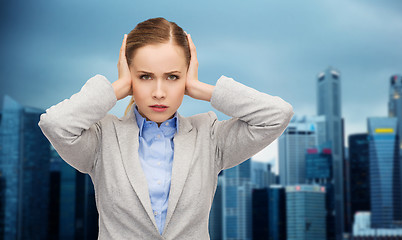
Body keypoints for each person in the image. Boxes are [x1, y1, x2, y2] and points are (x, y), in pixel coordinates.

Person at [38, 17, 294, 240]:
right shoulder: (102, 139)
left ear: (186, 75)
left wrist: (201, 89)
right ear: (129, 76)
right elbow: (55, 124)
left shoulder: (210, 137)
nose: (159, 93)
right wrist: (116, 88)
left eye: (172, 77)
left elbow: (277, 115)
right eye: (144, 76)